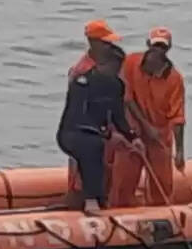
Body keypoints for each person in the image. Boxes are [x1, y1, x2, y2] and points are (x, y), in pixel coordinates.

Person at [56, 40, 142, 215]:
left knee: (97, 146)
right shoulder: (82, 83)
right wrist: (108, 134)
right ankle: (91, 200)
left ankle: (100, 199)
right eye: (114, 66)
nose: (117, 71)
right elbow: (78, 115)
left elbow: (118, 116)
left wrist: (133, 137)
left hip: (97, 133)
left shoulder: (117, 86)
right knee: (92, 146)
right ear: (103, 64)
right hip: (71, 132)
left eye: (119, 67)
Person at [109, 27, 186, 207]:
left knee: (162, 186)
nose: (157, 50)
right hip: (132, 132)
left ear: (168, 49)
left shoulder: (174, 79)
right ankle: (120, 215)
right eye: (155, 46)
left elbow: (178, 117)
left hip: (159, 137)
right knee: (123, 182)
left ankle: (161, 219)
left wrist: (180, 152)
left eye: (162, 47)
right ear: (148, 45)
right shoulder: (130, 63)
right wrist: (145, 125)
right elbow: (126, 98)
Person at [64, 19, 128, 208]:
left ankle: (101, 204)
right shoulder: (83, 71)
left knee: (104, 173)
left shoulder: (107, 68)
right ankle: (79, 211)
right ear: (95, 43)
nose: (110, 47)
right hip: (87, 132)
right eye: (106, 43)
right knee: (82, 177)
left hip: (102, 130)